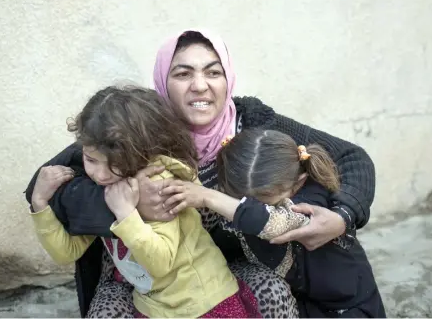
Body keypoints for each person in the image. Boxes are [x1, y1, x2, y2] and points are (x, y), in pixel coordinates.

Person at [24, 29, 377, 318]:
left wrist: (343, 216)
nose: (200, 85)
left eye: (213, 71)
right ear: (163, 80)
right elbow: (43, 185)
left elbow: (352, 157)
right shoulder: (136, 129)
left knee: (271, 294)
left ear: (228, 78)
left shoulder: (253, 124)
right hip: (139, 279)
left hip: (217, 275)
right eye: (182, 73)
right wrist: (129, 201)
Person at [30, 86, 262, 318]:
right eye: (91, 160)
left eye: (115, 164)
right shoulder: (105, 190)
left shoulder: (157, 185)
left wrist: (126, 214)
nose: (100, 175)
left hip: (203, 302)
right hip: (155, 307)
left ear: (141, 152)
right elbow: (67, 252)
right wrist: (40, 203)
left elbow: (161, 262)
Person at [161, 128, 386, 317]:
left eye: (263, 203)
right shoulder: (246, 203)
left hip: (349, 305)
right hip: (307, 300)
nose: (246, 207)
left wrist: (207, 197)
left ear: (298, 184)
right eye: (239, 200)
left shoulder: (310, 202)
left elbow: (267, 221)